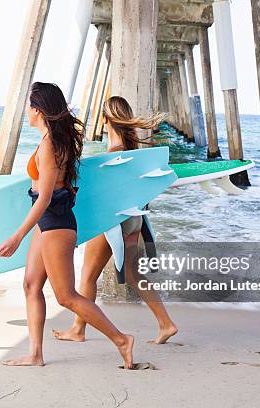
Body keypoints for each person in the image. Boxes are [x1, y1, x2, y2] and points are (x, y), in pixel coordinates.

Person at [0, 83, 134, 368]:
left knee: (66, 296)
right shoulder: (51, 139)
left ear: (38, 109)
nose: (26, 111)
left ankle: (122, 339)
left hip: (56, 224)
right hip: (48, 222)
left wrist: (17, 236)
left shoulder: (49, 145)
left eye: (28, 106)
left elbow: (45, 197)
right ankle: (35, 354)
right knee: (31, 284)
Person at [52, 96, 179, 345]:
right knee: (133, 274)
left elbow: (102, 200)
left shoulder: (112, 154)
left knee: (88, 277)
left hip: (111, 222)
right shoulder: (133, 153)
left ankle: (78, 330)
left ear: (105, 120)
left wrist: (81, 227)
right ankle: (166, 323)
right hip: (133, 220)